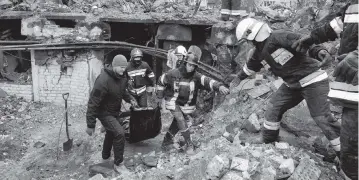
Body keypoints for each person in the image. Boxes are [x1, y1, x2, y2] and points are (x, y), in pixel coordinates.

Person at [231, 18, 341, 158]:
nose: (247, 43)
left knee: (321, 118)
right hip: (292, 85)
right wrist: (238, 78)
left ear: (251, 35)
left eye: (247, 40)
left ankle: (346, 153)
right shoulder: (258, 52)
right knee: (273, 107)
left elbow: (304, 42)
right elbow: (250, 67)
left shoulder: (279, 36)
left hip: (313, 80)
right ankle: (268, 138)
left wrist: (319, 51)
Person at [291, 2, 358, 179]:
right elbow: (339, 25)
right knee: (350, 141)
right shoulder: (354, 6)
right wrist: (312, 38)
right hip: (354, 89)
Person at [156, 52, 230, 154]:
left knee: (177, 124)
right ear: (185, 63)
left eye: (193, 66)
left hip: (185, 104)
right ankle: (189, 143)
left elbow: (208, 81)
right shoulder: (172, 74)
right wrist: (159, 98)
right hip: (173, 101)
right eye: (190, 65)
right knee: (181, 119)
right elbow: (161, 81)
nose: (191, 68)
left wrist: (219, 86)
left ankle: (166, 142)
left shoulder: (196, 77)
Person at [86, 54, 139, 173]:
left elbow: (122, 92)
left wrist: (130, 99)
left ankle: (105, 156)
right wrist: (90, 124)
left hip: (114, 110)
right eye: (120, 67)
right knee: (119, 133)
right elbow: (93, 102)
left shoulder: (122, 76)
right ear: (114, 66)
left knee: (111, 132)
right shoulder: (103, 80)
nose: (123, 69)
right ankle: (119, 164)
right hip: (103, 112)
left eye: (124, 67)